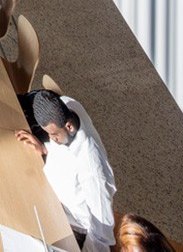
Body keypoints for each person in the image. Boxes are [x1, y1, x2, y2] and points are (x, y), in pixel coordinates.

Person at [16, 91, 117, 252]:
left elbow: (100, 236)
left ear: (69, 126)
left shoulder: (93, 172)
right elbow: (62, 151)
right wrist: (44, 147)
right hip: (51, 195)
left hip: (74, 226)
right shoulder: (68, 106)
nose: (52, 139)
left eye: (54, 135)